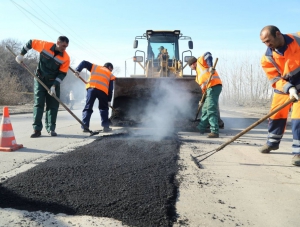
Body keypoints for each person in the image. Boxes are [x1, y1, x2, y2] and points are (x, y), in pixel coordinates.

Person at [259, 25, 300, 166]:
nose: (267, 45)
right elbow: (275, 79)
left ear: (278, 34)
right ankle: (272, 142)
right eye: (264, 42)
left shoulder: (298, 39)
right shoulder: (267, 58)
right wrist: (289, 88)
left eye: (268, 40)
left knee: (298, 118)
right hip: (284, 87)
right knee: (276, 115)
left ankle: (298, 152)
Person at [15, 36, 70, 138]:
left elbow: (62, 74)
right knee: (38, 104)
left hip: (53, 83)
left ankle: (51, 129)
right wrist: (21, 54)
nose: (64, 48)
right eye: (63, 46)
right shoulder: (45, 46)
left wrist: (54, 86)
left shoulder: (65, 58)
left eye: (66, 47)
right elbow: (31, 42)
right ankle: (37, 130)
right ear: (58, 42)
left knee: (53, 106)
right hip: (39, 79)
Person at [74, 61, 116, 132]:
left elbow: (84, 62)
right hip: (103, 91)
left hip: (91, 89)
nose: (111, 71)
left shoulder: (95, 67)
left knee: (88, 107)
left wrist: (78, 70)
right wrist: (109, 100)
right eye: (111, 69)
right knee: (103, 108)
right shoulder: (110, 74)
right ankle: (106, 127)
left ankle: (85, 126)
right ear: (109, 67)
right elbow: (110, 89)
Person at [188, 52, 222, 138]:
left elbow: (208, 54)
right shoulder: (197, 76)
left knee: (210, 109)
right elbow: (204, 89)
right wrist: (202, 101)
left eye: (190, 66)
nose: (191, 68)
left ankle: (214, 131)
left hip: (214, 86)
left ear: (193, 64)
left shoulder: (200, 61)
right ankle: (201, 127)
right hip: (209, 90)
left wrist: (210, 66)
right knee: (205, 109)